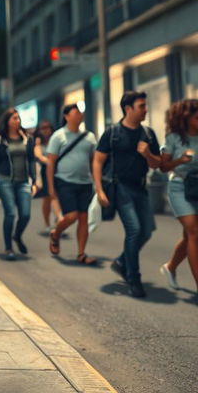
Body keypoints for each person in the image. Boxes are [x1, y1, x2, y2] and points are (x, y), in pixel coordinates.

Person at [93, 90, 161, 298]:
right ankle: (134, 279)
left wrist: (147, 153)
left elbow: (158, 164)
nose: (145, 110)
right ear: (128, 109)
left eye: (145, 106)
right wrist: (99, 189)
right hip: (119, 187)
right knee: (134, 230)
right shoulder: (112, 133)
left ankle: (122, 261)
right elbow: (97, 161)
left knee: (147, 230)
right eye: (142, 106)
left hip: (140, 187)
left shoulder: (148, 134)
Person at [46, 104, 98, 264]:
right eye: (75, 113)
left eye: (80, 113)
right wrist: (50, 188)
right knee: (71, 216)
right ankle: (56, 233)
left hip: (85, 183)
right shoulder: (58, 136)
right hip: (65, 181)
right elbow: (50, 163)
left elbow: (93, 161)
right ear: (66, 116)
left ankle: (81, 253)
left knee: (83, 218)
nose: (79, 116)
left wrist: (97, 184)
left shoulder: (89, 136)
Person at [159, 98, 198, 297]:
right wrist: (180, 160)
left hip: (197, 186)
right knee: (193, 231)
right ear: (186, 117)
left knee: (189, 236)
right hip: (179, 187)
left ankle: (170, 266)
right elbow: (163, 166)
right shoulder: (174, 138)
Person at [0, 108, 37, 260]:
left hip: (23, 182)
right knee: (10, 214)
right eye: (14, 118)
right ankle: (8, 247)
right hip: (5, 181)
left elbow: (31, 160)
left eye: (18, 118)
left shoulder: (27, 139)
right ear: (8, 121)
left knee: (25, 214)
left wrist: (34, 181)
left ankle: (17, 235)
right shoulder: (0, 140)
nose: (18, 121)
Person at [33, 120, 62, 232]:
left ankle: (58, 218)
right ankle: (48, 222)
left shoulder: (55, 140)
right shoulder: (38, 142)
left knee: (56, 195)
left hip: (57, 171)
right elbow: (38, 155)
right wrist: (50, 162)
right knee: (48, 198)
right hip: (45, 172)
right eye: (43, 128)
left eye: (47, 127)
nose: (45, 130)